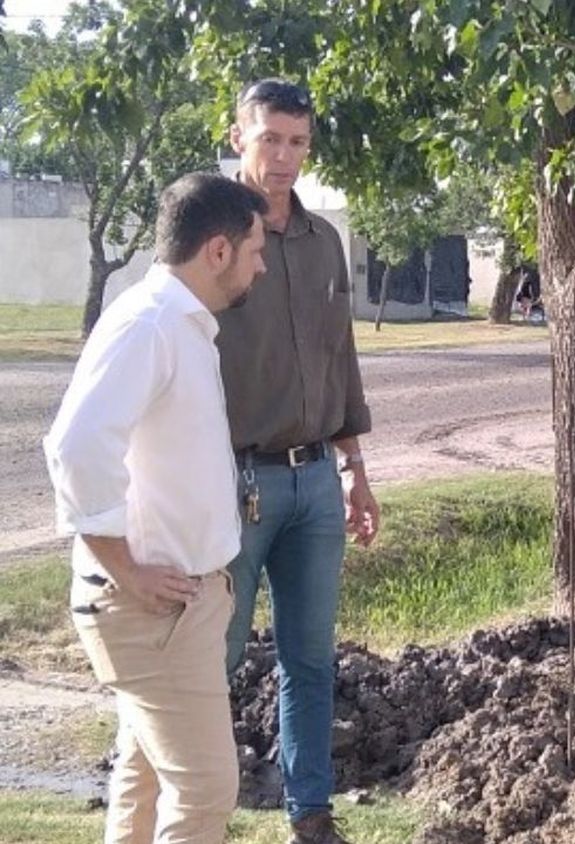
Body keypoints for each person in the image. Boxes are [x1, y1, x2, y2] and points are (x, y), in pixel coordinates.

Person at [43, 172, 268, 843]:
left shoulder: (179, 323)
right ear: (219, 251)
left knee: (143, 787)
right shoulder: (152, 324)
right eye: (255, 249)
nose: (262, 263)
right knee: (204, 790)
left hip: (174, 607)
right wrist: (125, 567)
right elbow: (78, 447)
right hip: (155, 610)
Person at [218, 78, 379, 844]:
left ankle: (310, 814)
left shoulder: (324, 243)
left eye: (298, 142)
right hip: (230, 483)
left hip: (314, 479)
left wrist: (354, 471)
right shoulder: (209, 234)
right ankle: (180, 811)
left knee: (310, 662)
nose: (283, 158)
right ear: (237, 135)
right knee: (207, 662)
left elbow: (338, 358)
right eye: (269, 139)